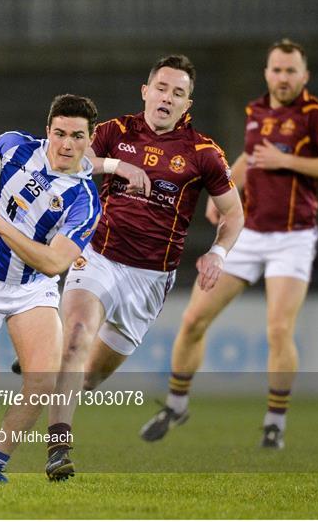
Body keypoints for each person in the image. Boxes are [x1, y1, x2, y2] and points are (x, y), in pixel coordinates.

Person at [139, 39, 318, 449]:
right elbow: (250, 158)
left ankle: (274, 421)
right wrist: (226, 197)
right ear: (267, 73)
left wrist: (286, 160)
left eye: (291, 71)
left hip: (293, 238)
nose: (283, 77)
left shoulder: (316, 116)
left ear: (304, 76)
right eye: (276, 69)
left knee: (278, 329)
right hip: (250, 235)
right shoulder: (257, 112)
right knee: (193, 321)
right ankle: (176, 404)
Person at [39, 55, 244, 480]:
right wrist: (117, 165)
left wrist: (218, 253)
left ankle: (48, 361)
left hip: (149, 280)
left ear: (188, 104)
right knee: (76, 339)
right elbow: (69, 161)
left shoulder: (204, 154)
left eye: (178, 93)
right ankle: (58, 447)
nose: (167, 98)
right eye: (162, 88)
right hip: (97, 256)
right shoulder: (116, 132)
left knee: (89, 376)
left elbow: (234, 214)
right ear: (145, 91)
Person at [0, 94, 107, 485]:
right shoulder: (15, 144)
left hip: (32, 287)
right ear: (47, 131)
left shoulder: (84, 201)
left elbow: (53, 263)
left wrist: (1, 225)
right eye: (59, 133)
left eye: (77, 136)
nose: (67, 144)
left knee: (43, 381)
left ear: (90, 139)